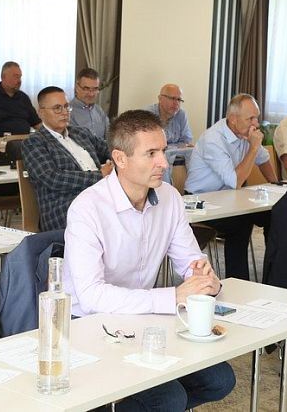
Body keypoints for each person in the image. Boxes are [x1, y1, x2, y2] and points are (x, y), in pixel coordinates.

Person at [63, 109, 235, 411]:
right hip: (89, 324)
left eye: (163, 151)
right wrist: (173, 296)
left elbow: (190, 260)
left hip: (143, 318)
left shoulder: (169, 197)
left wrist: (203, 278)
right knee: (169, 399)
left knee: (219, 380)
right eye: (151, 154)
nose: (164, 163)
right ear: (120, 158)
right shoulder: (87, 208)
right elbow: (91, 297)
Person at [185, 93, 277, 281]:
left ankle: (274, 276)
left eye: (257, 117)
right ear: (233, 119)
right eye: (251, 118)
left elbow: (263, 159)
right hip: (201, 201)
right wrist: (253, 147)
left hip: (229, 198)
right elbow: (235, 181)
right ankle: (238, 282)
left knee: (276, 214)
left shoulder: (244, 133)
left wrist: (275, 184)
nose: (256, 124)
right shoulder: (214, 139)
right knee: (240, 223)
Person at [22, 86, 112, 231]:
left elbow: (111, 150)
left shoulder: (81, 133)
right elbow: (53, 178)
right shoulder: (34, 142)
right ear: (41, 113)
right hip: (63, 208)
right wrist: (100, 175)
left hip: (99, 196)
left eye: (66, 107)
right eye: (57, 108)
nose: (64, 112)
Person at [69, 68, 109, 140]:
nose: (91, 94)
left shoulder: (99, 110)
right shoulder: (67, 112)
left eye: (95, 89)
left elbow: (110, 136)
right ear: (77, 87)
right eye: (86, 89)